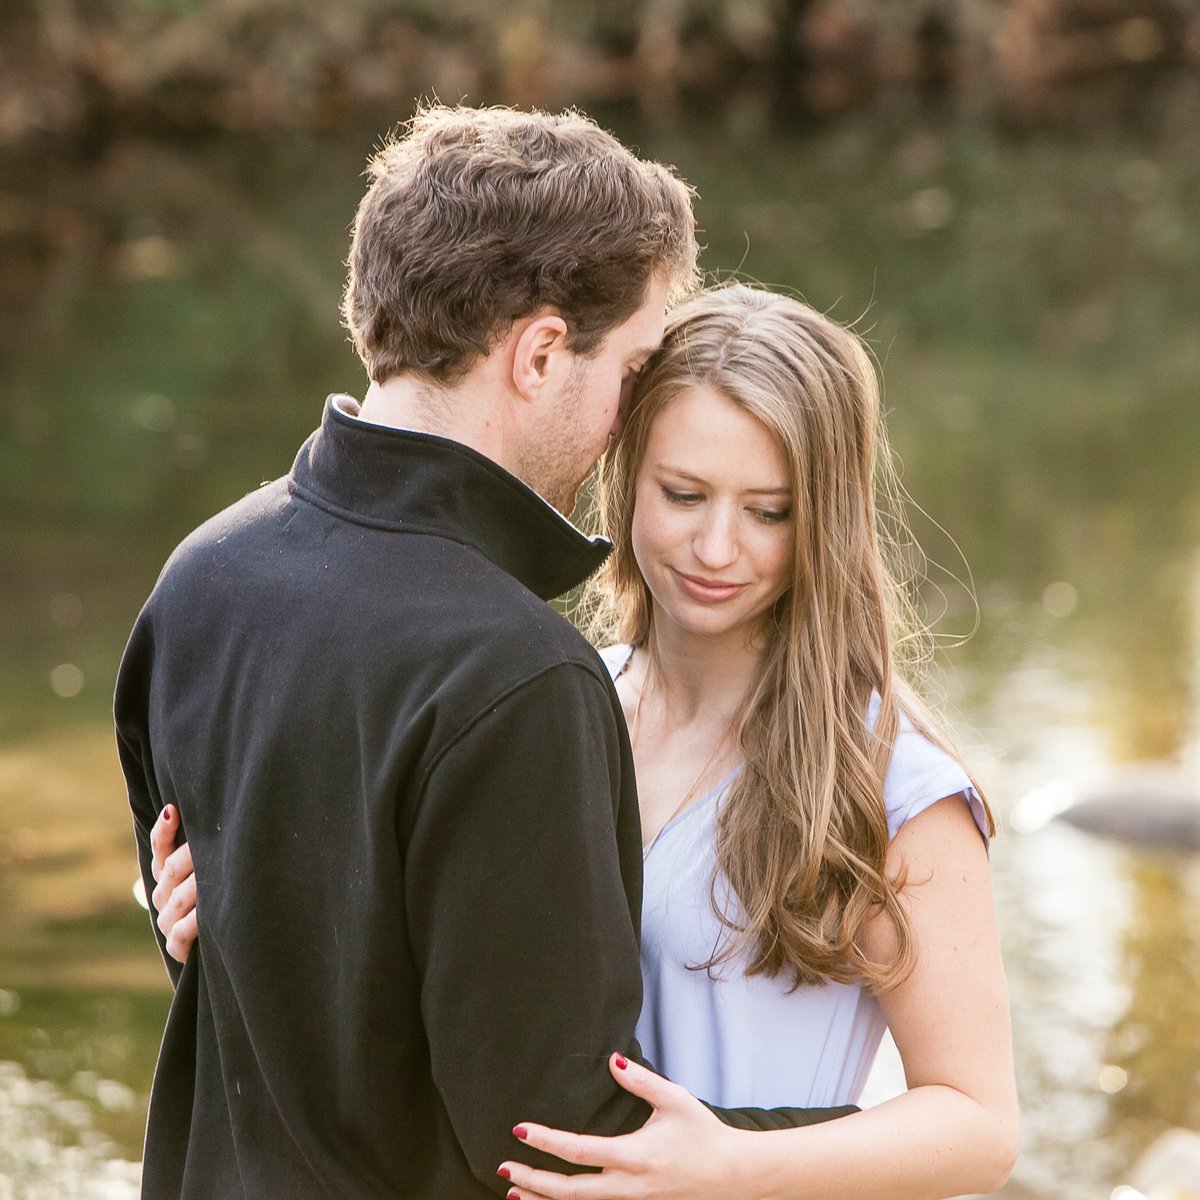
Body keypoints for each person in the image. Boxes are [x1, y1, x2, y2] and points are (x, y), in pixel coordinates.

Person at [115, 107, 850, 1200]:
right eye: (633, 367)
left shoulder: (200, 579)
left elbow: (222, 950)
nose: (626, 416)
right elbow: (550, 1136)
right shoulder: (520, 677)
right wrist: (846, 1139)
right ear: (542, 352)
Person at [151, 284, 1020, 1198]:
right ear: (625, 472)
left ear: (827, 519)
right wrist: (240, 915)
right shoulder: (540, 704)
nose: (718, 547)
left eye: (770, 511)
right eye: (683, 494)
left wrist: (733, 1166)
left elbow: (977, 1123)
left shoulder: (887, 781)